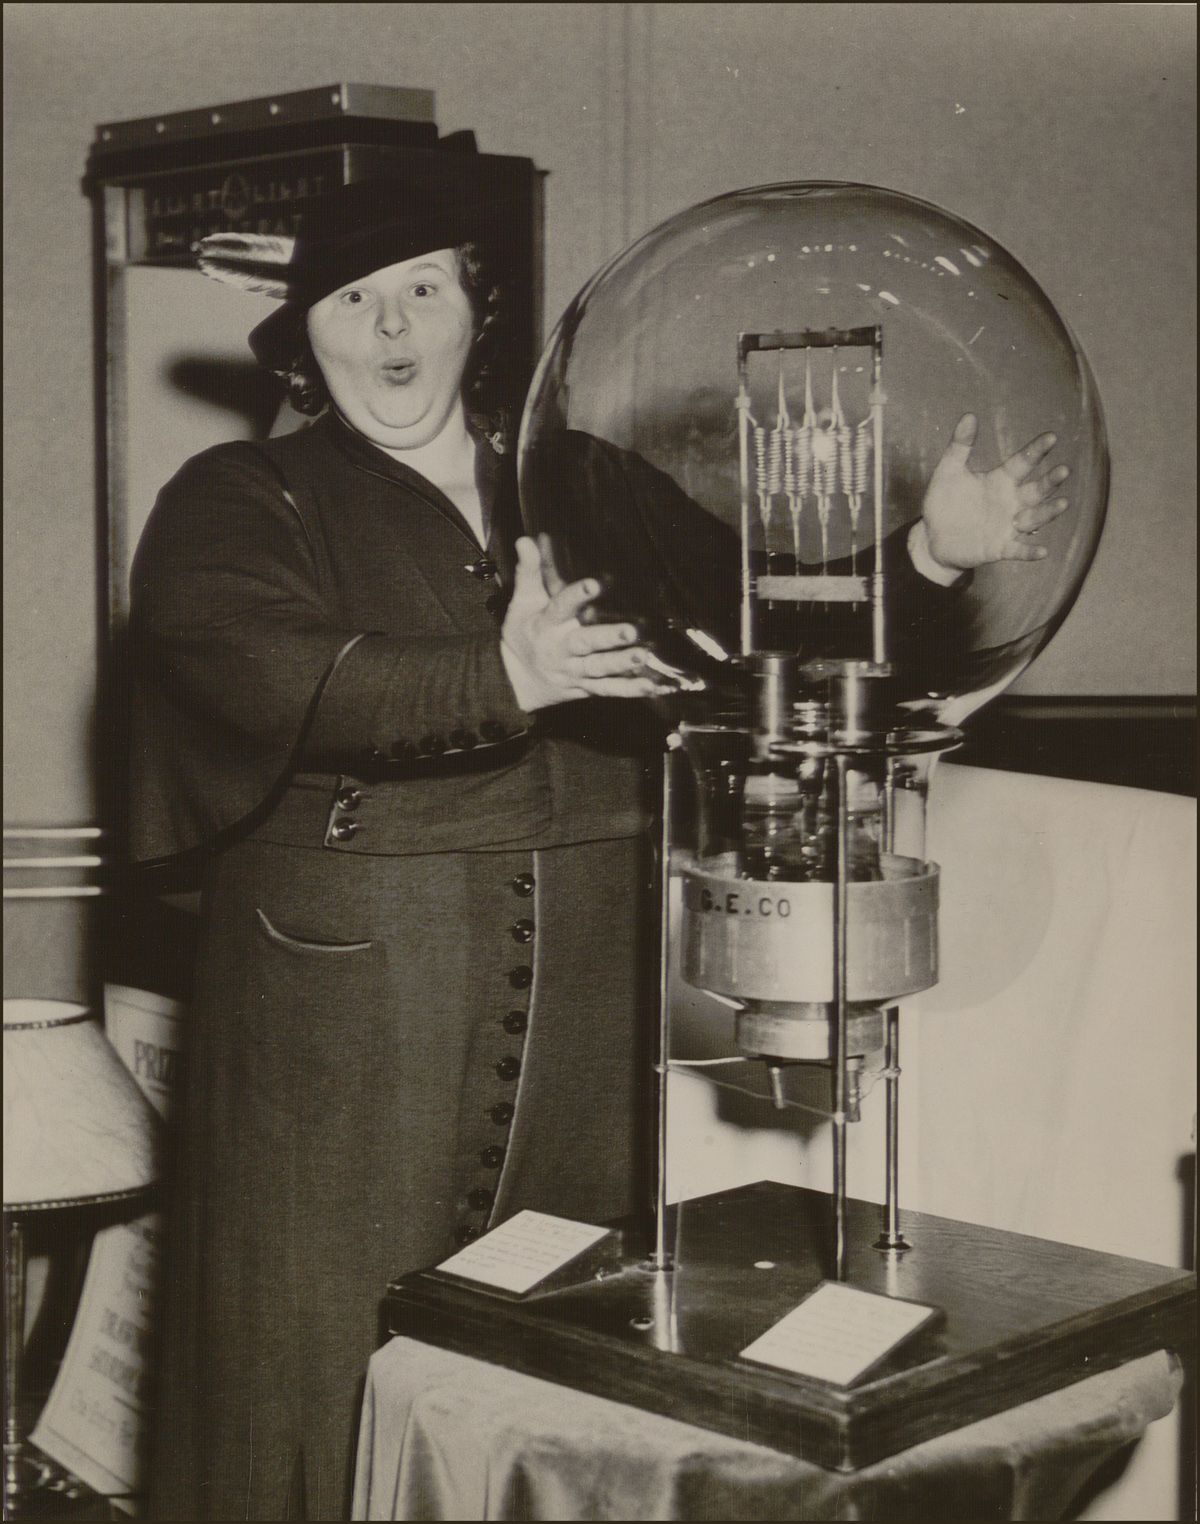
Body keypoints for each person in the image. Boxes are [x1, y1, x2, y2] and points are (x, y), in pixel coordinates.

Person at [129, 179, 1069, 1520]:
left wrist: (923, 554)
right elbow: (250, 668)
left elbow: (754, 628)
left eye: (421, 290)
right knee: (313, 1371)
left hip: (586, 1015)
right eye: (350, 299)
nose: (389, 328)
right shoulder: (243, 495)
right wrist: (502, 670)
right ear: (300, 333)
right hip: (339, 1019)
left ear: (475, 307)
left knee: (547, 1372)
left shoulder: (581, 490)